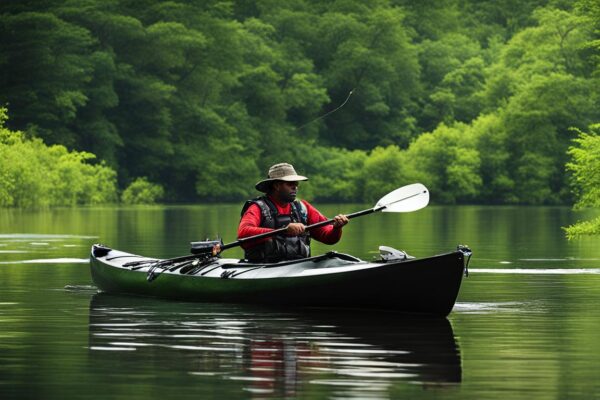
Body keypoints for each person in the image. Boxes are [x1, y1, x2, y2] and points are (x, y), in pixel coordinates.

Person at [238, 163, 349, 263]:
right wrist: (283, 230)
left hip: (299, 267)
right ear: (276, 185)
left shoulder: (302, 208)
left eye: (296, 184)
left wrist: (337, 228)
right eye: (290, 184)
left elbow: (328, 237)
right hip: (264, 268)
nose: (295, 187)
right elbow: (243, 233)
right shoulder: (257, 208)